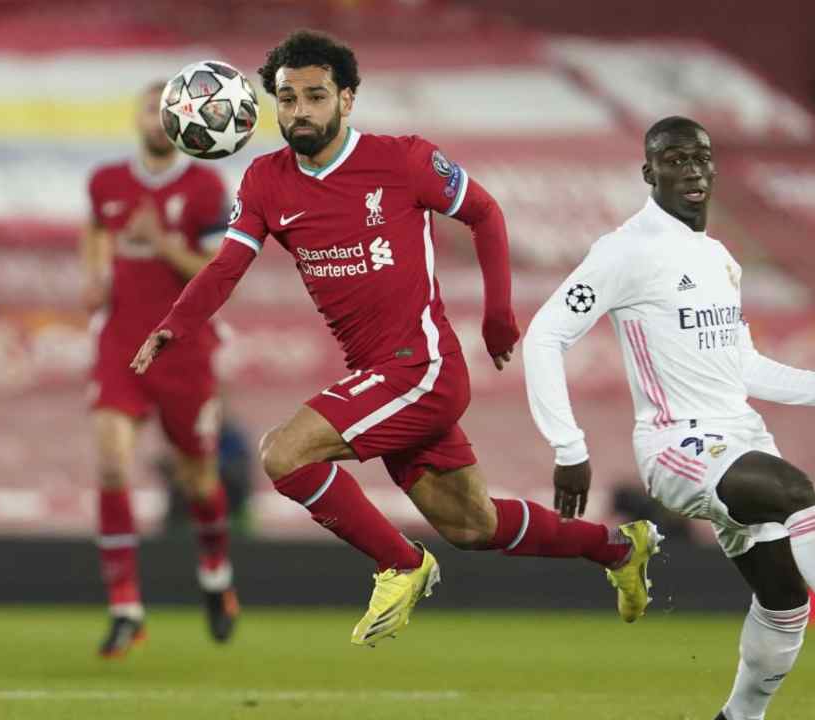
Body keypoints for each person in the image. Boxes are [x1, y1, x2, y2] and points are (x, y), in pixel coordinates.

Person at [131, 30, 661, 648]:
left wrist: (497, 314)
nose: (299, 111)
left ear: (347, 100)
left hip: (423, 367)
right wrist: (175, 322)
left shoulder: (403, 159)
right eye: (287, 99)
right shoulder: (264, 182)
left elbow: (484, 213)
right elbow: (226, 266)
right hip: (381, 373)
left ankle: (401, 564)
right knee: (472, 524)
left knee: (283, 454)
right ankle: (620, 547)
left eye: (315, 96)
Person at [522, 116, 815, 720]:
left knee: (784, 601)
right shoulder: (626, 251)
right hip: (675, 445)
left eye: (701, 158)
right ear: (649, 173)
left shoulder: (718, 258)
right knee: (798, 494)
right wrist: (568, 447)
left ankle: (737, 717)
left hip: (738, 437)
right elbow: (544, 335)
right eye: (674, 159)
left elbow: (741, 366)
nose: (691, 169)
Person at [83, 81, 238, 658]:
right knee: (110, 463)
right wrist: (95, 276)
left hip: (183, 348)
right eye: (151, 106)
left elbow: (217, 270)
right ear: (138, 115)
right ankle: (126, 608)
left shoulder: (203, 187)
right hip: (121, 342)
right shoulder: (107, 182)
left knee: (198, 479)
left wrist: (161, 242)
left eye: (168, 110)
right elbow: (97, 228)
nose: (158, 117)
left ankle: (216, 573)